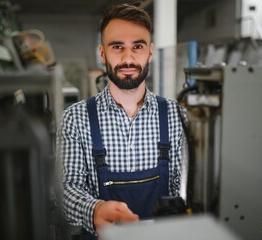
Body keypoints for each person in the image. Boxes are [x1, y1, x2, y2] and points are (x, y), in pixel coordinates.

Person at [58, 3, 183, 239]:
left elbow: (184, 187)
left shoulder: (176, 116)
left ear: (150, 52)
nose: (128, 58)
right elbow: (66, 187)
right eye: (117, 47)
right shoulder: (75, 118)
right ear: (102, 52)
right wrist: (94, 210)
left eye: (138, 46)